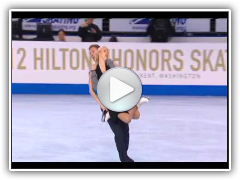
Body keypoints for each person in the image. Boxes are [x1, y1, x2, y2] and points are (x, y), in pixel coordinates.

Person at [88, 45, 149, 162]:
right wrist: (102, 105)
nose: (92, 54)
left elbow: (119, 75)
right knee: (119, 131)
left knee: (128, 126)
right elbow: (93, 88)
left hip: (120, 98)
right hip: (108, 104)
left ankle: (124, 156)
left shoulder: (110, 64)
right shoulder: (93, 70)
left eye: (94, 51)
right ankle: (124, 158)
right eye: (91, 52)